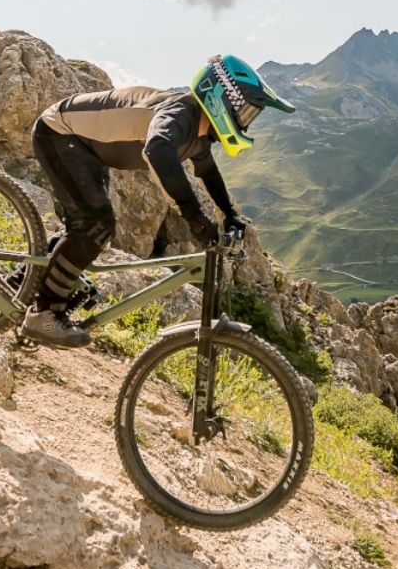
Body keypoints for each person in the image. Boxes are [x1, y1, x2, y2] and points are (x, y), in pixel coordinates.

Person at [22, 54, 295, 348]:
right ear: (222, 98)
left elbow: (208, 174)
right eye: (245, 112)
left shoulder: (200, 134)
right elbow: (158, 150)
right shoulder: (180, 114)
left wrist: (230, 215)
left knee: (88, 228)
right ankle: (43, 314)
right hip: (59, 133)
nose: (245, 123)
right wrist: (194, 217)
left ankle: (24, 283)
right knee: (95, 224)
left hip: (85, 147)